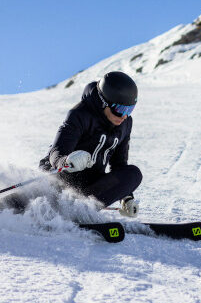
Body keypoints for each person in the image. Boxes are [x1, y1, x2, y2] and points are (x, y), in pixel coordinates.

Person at [38, 71, 142, 217]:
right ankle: (54, 207)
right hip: (61, 179)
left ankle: (81, 211)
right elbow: (56, 152)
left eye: (129, 110)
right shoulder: (79, 114)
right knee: (52, 181)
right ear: (104, 102)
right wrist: (66, 161)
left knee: (133, 174)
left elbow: (119, 165)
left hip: (89, 187)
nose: (124, 116)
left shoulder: (125, 124)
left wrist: (126, 196)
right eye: (120, 109)